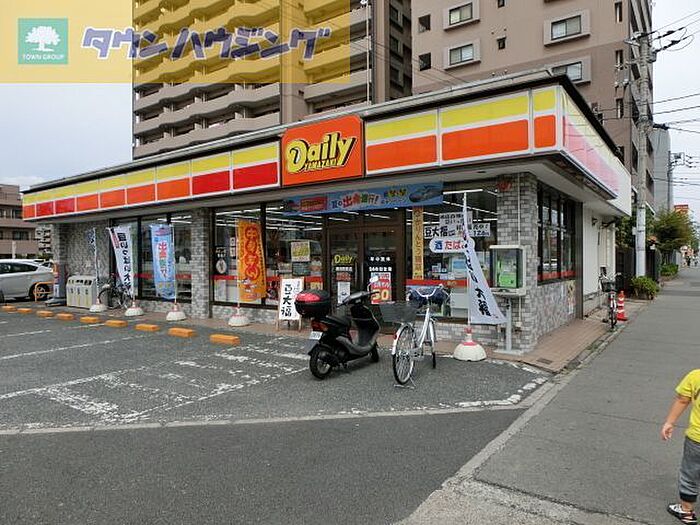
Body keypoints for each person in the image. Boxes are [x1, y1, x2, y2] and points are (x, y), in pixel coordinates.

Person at [662, 370, 700, 524]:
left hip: (697, 439)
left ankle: (686, 511)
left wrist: (669, 422)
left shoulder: (695, 376)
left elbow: (682, 400)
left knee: (690, 473)